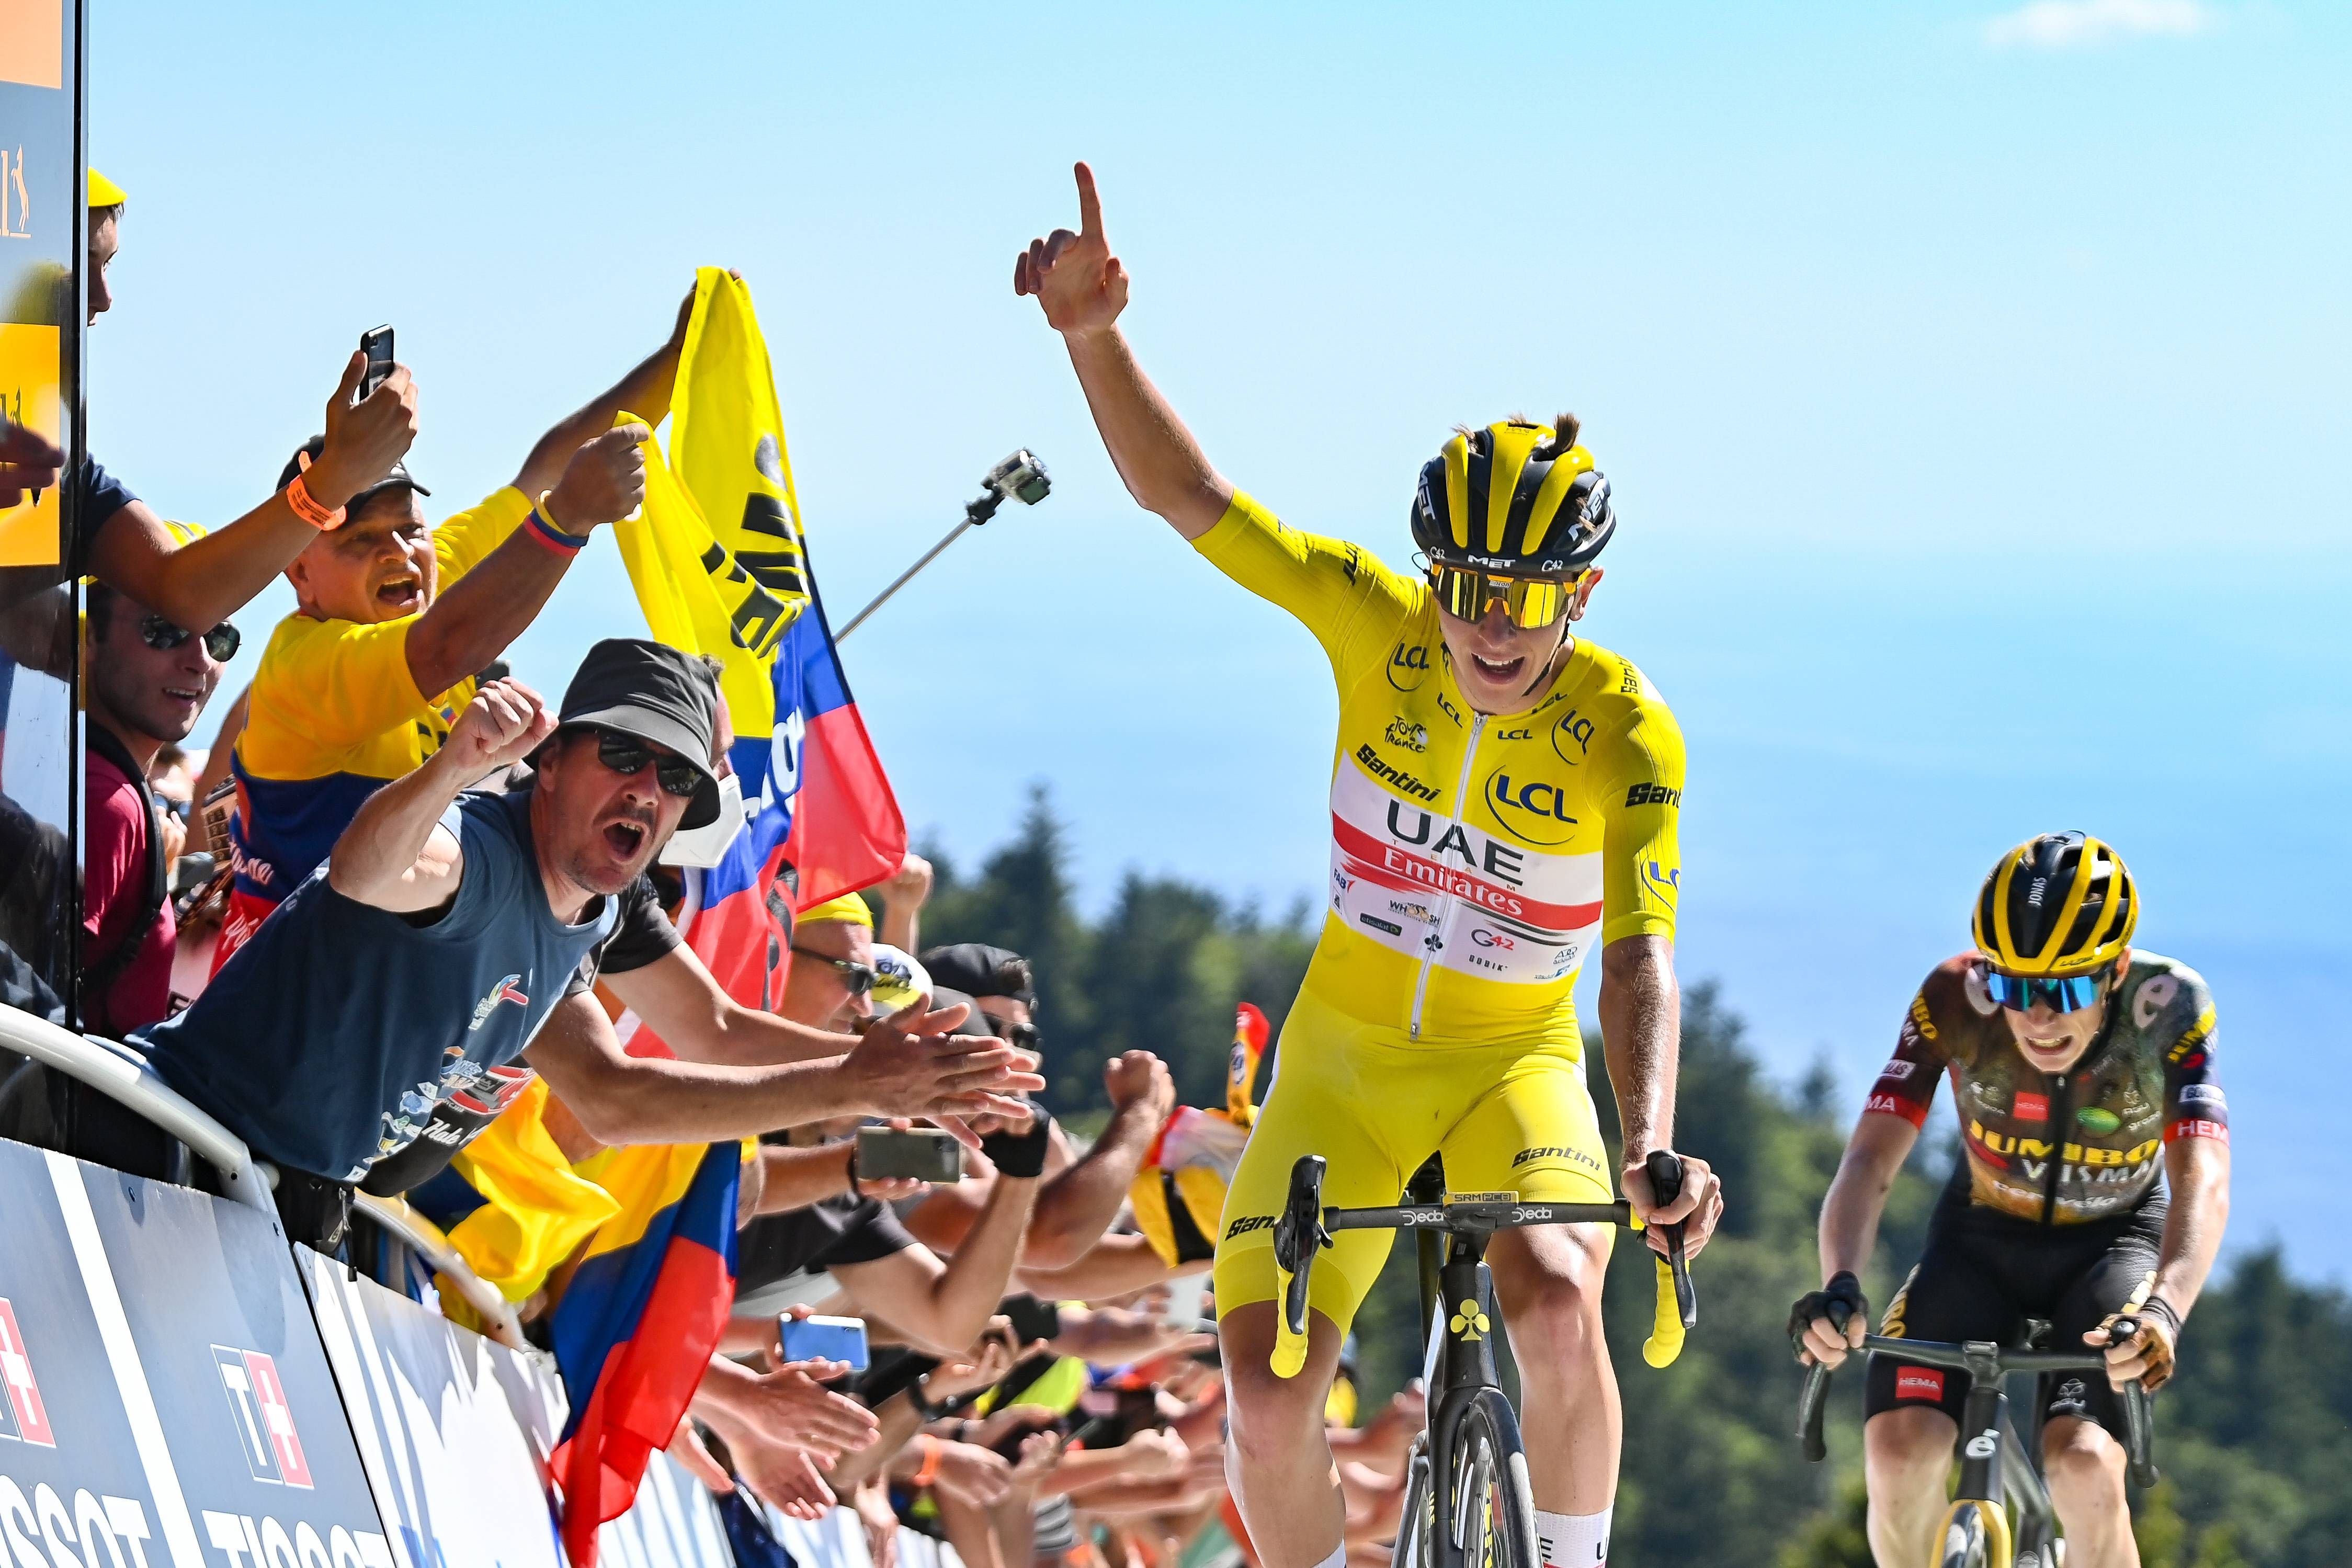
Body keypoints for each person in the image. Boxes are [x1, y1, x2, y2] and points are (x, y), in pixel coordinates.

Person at [1013, 162, 1723, 1568]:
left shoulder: (1627, 729)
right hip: (1339, 1067)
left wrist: (1645, 1140)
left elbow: (1640, 956)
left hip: (1513, 1067)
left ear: (1581, 594)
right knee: (1273, 1399)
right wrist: (1094, 338)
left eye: (1526, 598)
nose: (1491, 629)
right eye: (1467, 589)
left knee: (1557, 1306)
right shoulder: (1373, 625)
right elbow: (1188, 495)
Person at [116, 640, 1035, 1245]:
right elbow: (366, 870)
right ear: (550, 761)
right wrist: (453, 766)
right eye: (624, 756)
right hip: (162, 1144)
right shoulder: (475, 847)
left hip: (265, 1195)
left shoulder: (604, 908)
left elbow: (706, 1035)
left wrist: (877, 1070)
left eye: (676, 777)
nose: (647, 789)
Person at [217, 280, 719, 962]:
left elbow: (544, 473)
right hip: (297, 989)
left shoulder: (430, 581)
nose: (398, 552)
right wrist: (567, 521)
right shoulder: (304, 665)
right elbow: (444, 649)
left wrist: (680, 355)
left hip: (396, 973)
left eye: (409, 529)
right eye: (361, 540)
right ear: (298, 572)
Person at [1791, 833, 2230, 1568]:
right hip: (1979, 1240)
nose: (2038, 1018)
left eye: (2065, 990)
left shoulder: (2168, 1007)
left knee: (2083, 1465)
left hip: (2111, 1250)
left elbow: (2203, 1177)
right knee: (1898, 1454)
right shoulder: (1954, 997)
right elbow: (1870, 1158)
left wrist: (2166, 1309)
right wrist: (1839, 1281)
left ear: (2118, 970)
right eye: (2016, 988)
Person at [1, 171, 421, 633]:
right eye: (77, 267)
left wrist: (336, 478)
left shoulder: (62, 471)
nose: (103, 299)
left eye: (107, 266)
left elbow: (184, 592)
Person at [79, 584, 237, 1033]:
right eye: (164, 630)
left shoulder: (87, 776)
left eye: (219, 637)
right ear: (90, 639)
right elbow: (30, 991)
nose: (200, 660)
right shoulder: (103, 798)